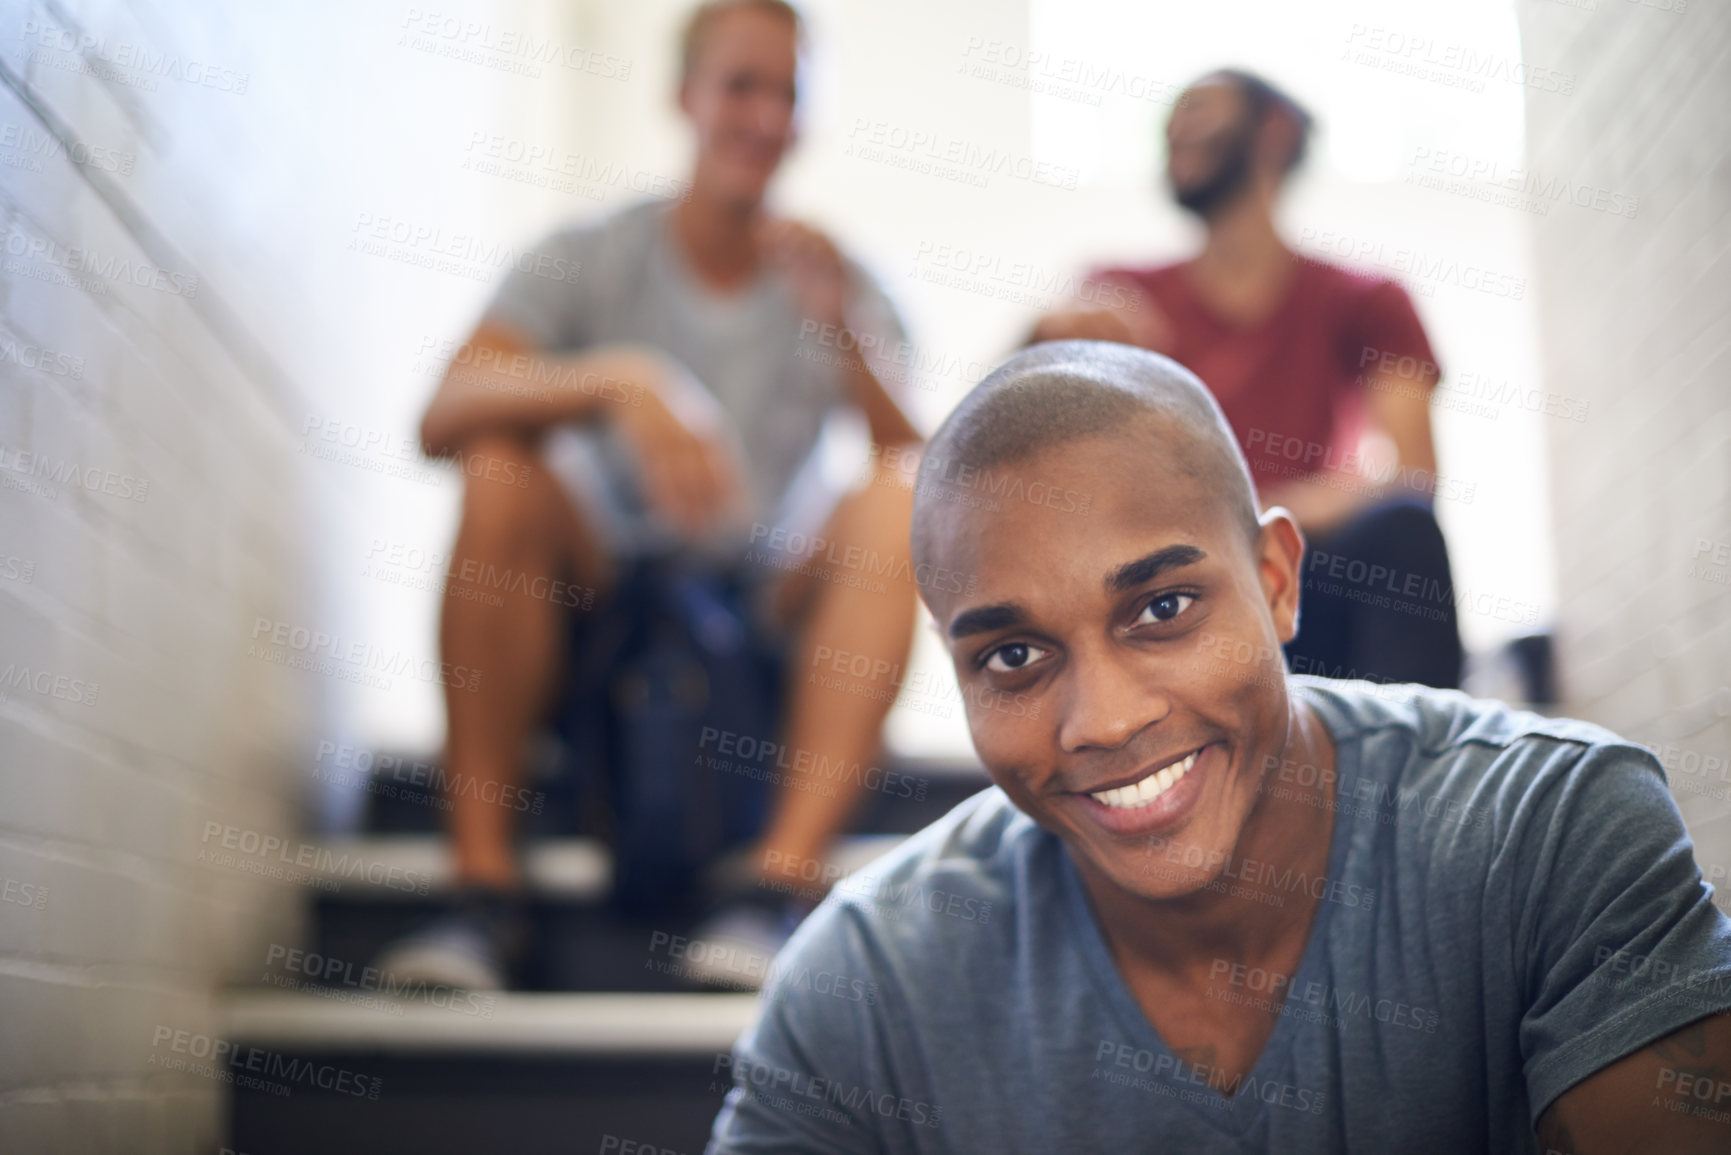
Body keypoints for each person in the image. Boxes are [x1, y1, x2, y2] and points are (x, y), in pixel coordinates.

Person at [707, 342, 1731, 1153]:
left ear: (1278, 580)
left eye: (1162, 607)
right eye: (1014, 655)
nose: (1103, 721)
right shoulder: (866, 983)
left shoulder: (1548, 834)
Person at [379, 0, 924, 991]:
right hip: (604, 604)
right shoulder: (591, 259)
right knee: (500, 463)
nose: (763, 116)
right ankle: (480, 897)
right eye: (740, 85)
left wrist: (845, 335)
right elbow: (442, 414)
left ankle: (776, 887)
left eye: (788, 94)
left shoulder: (841, 282)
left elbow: (928, 479)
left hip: (762, 615)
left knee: (898, 493)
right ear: (685, 97)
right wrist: (619, 378)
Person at [1031, 69, 1463, 690]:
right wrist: (1042, 339)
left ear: (1276, 131)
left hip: (1303, 586)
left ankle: (1417, 770)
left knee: (1404, 530)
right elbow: (1018, 450)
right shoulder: (1115, 295)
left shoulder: (1367, 299)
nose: (1176, 128)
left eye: (1200, 109)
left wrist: (1249, 518)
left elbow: (1412, 473)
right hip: (1161, 586)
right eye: (1171, 118)